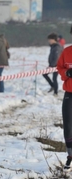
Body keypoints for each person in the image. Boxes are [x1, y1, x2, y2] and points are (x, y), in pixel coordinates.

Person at [57, 25, 72, 171]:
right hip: (70, 93)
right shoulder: (67, 52)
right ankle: (70, 156)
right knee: (68, 126)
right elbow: (59, 67)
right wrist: (67, 73)